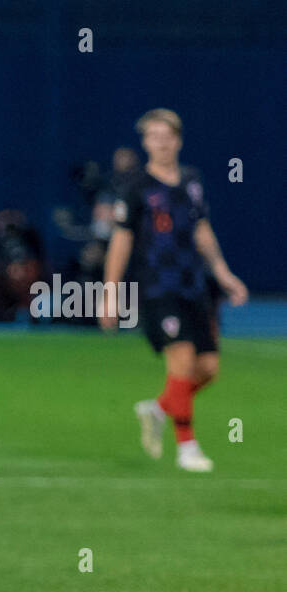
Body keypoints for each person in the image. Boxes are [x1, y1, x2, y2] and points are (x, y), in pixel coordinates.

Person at [101, 109, 248, 472]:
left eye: (167, 136)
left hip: (193, 286)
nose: (161, 142)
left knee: (208, 369)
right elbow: (121, 240)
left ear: (178, 140)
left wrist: (223, 272)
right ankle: (187, 447)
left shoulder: (192, 181)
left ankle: (159, 408)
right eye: (153, 136)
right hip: (156, 287)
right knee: (181, 359)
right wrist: (111, 291)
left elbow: (202, 230)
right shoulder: (136, 187)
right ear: (146, 142)